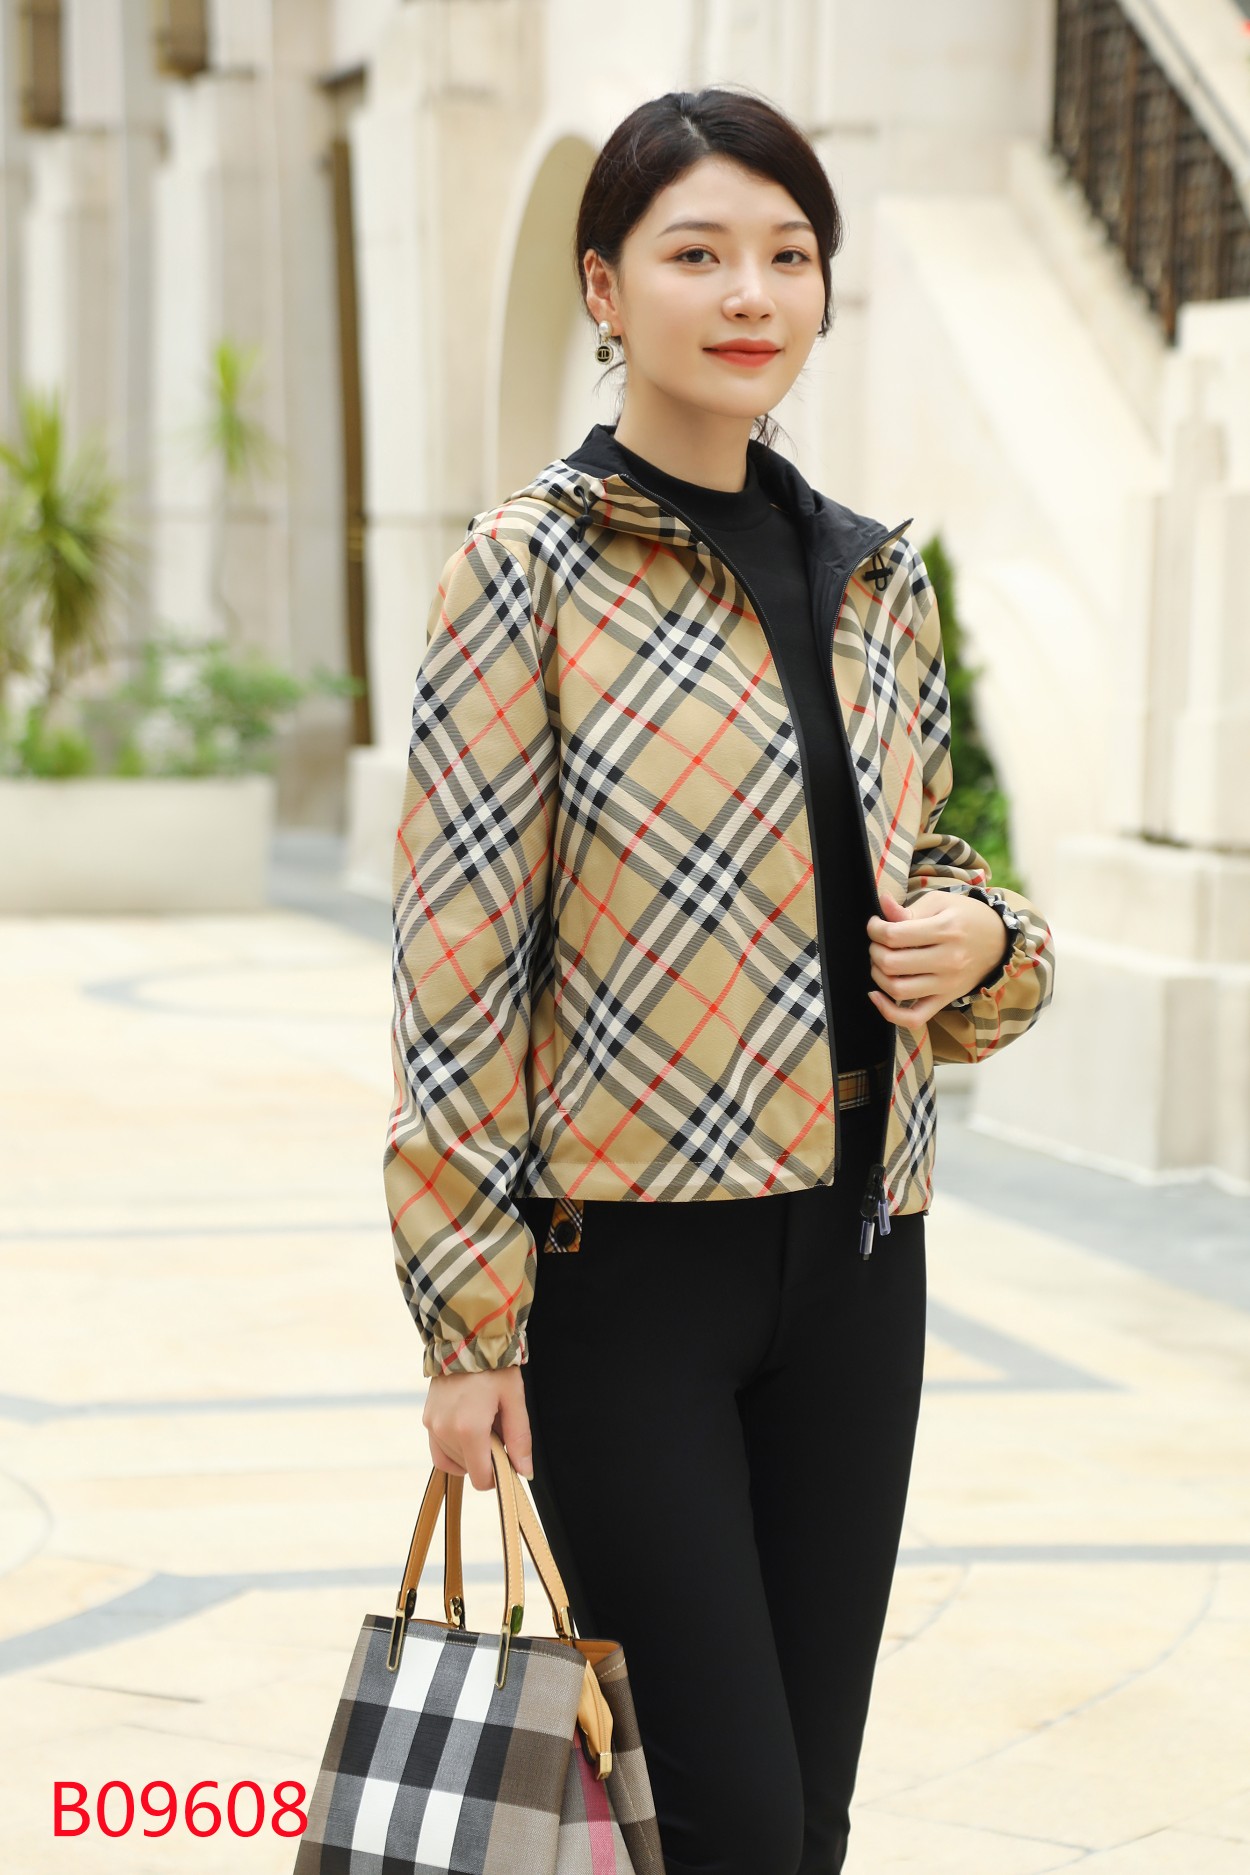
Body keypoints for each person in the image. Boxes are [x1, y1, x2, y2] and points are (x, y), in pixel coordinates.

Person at [385, 85, 1055, 1875]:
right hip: (624, 1276)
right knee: (725, 1816)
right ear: (604, 288)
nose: (749, 292)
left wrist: (987, 947)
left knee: (802, 1818)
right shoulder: (525, 573)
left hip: (859, 1258)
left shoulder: (874, 578)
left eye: (787, 254)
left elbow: (926, 868)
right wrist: (466, 1327)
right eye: (696, 253)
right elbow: (457, 965)